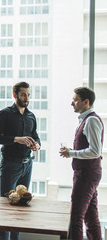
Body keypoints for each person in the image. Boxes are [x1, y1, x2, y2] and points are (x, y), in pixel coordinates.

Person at [0, 81, 40, 240]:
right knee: (6, 205)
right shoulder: (5, 114)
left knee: (21, 205)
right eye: (23, 94)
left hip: (28, 165)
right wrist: (16, 139)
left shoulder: (31, 116)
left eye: (28, 95)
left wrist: (37, 145)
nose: (27, 98)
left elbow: (36, 136)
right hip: (10, 165)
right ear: (15, 95)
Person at [59, 87, 103, 240]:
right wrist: (72, 150)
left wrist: (71, 153)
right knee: (91, 217)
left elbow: (95, 151)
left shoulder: (91, 120)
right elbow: (89, 149)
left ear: (86, 102)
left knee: (76, 217)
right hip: (86, 172)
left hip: (87, 174)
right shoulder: (86, 120)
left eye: (75, 100)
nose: (72, 103)